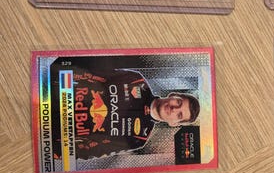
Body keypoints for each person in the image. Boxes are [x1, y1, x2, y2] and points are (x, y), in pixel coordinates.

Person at [52, 67, 200, 159]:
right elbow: (89, 73)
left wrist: (55, 149)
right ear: (173, 95)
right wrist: (53, 78)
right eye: (178, 102)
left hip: (55, 131)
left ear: (173, 123)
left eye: (179, 115)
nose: (174, 109)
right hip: (53, 96)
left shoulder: (139, 139)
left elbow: (94, 150)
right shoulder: (136, 80)